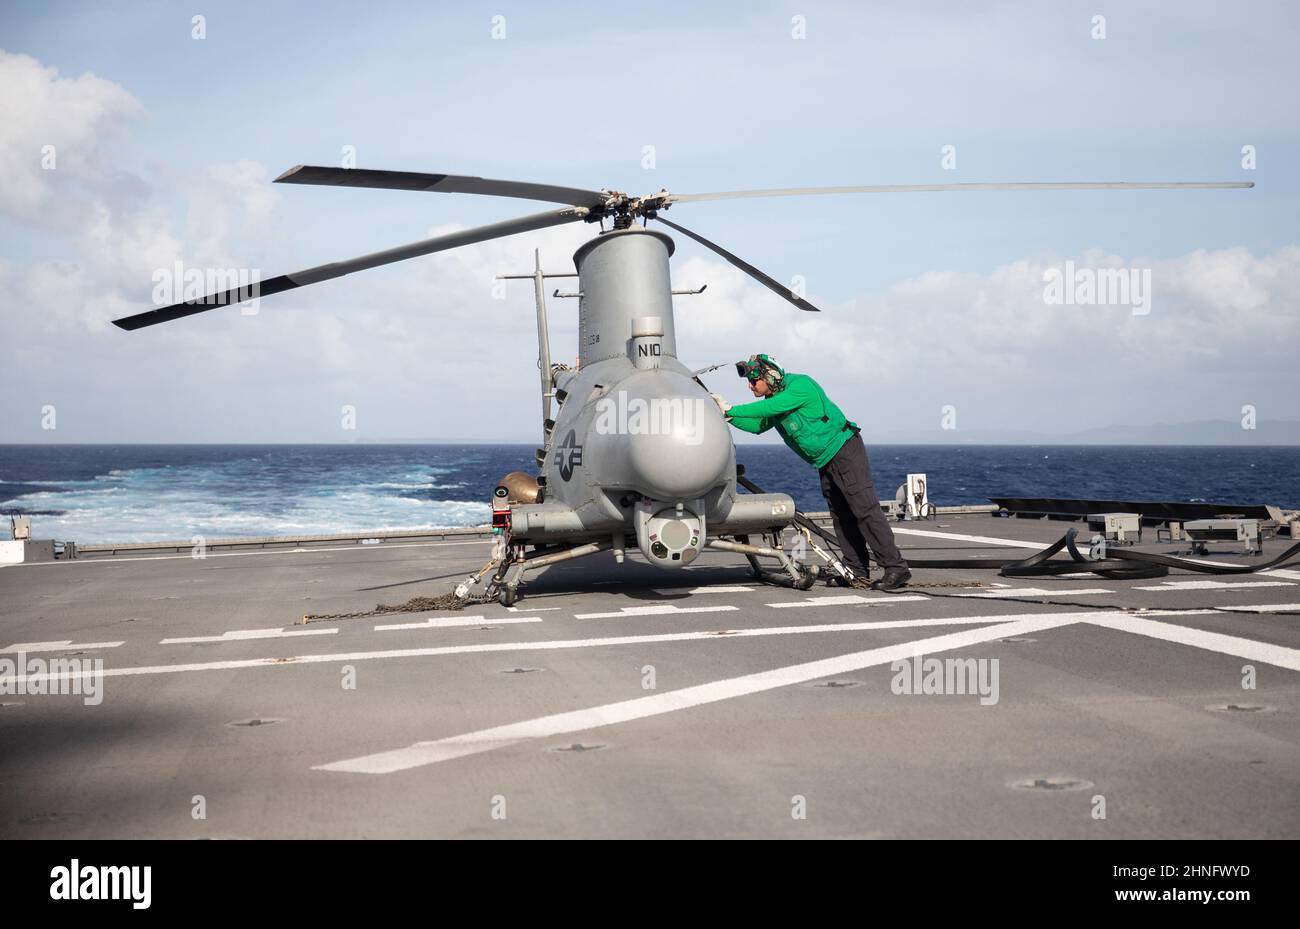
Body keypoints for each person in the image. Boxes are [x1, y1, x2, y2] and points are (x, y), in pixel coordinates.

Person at [712, 354, 912, 591]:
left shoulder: (800, 386)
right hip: (825, 460)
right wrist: (727, 415)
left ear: (769, 376)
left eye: (754, 381)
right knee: (841, 515)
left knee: (864, 509)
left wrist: (732, 408)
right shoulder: (776, 399)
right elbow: (757, 425)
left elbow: (769, 407)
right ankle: (856, 570)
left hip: (844, 450)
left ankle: (896, 568)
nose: (750, 385)